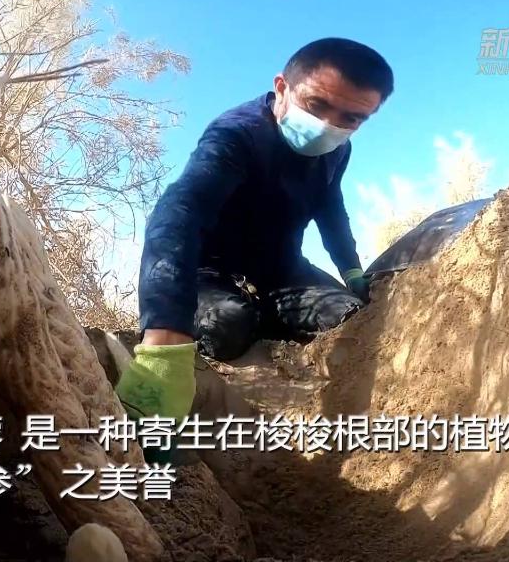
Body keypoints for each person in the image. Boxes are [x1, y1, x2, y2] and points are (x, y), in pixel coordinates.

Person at [115, 38, 394, 430]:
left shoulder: (338, 150)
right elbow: (179, 212)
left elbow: (331, 207)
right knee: (226, 326)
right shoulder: (236, 133)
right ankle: (243, 316)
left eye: (351, 118)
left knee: (347, 316)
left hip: (282, 268)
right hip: (210, 270)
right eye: (316, 104)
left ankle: (265, 312)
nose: (329, 125)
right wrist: (163, 338)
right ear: (282, 87)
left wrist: (352, 271)